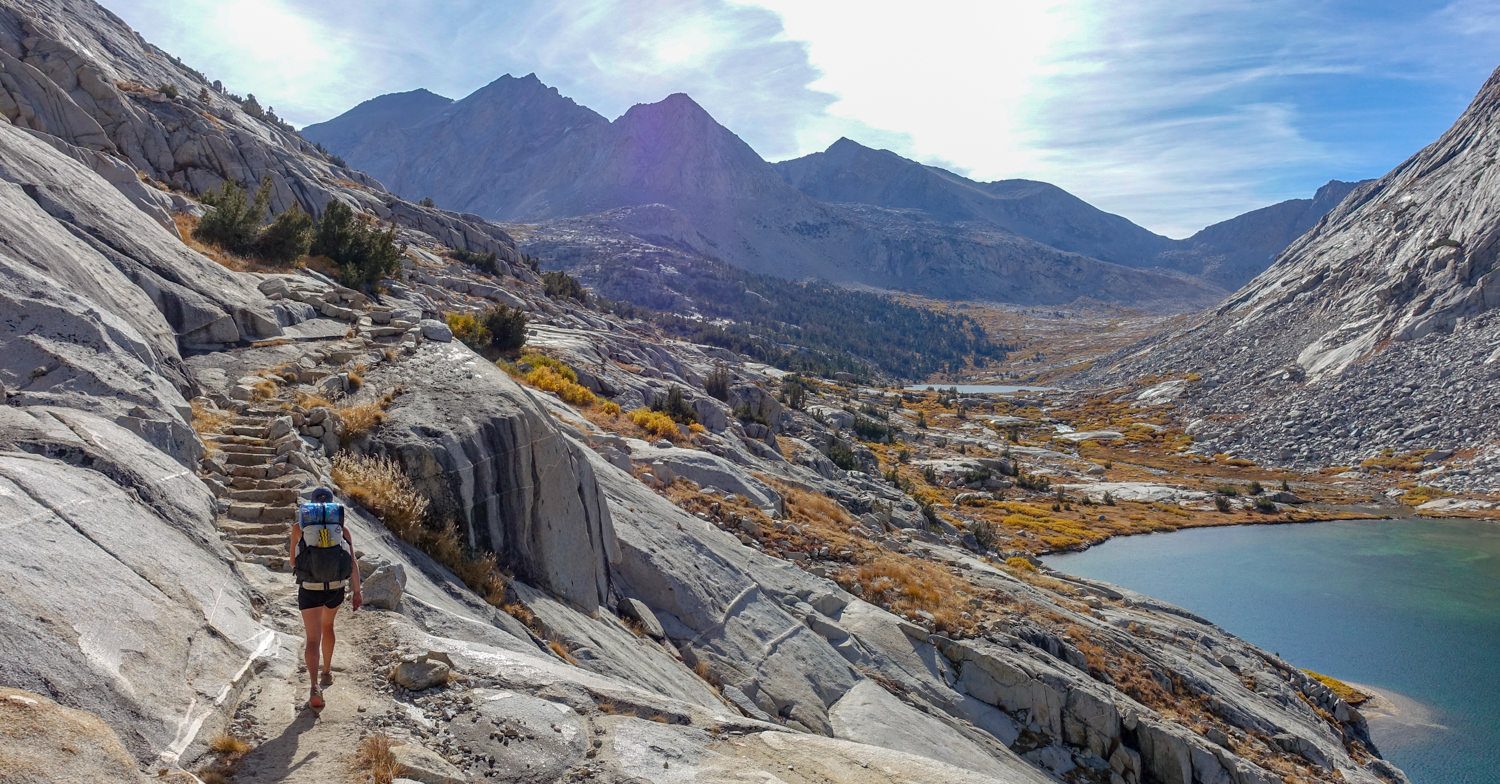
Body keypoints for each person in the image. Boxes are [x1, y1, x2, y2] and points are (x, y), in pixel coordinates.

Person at [288, 487, 361, 709]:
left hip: (310, 588)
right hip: (335, 588)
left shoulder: (298, 528)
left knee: (312, 639)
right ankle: (326, 673)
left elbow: (293, 562)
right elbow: (352, 562)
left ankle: (313, 686)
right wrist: (357, 592)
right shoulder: (342, 529)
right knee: (328, 626)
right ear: (331, 507)